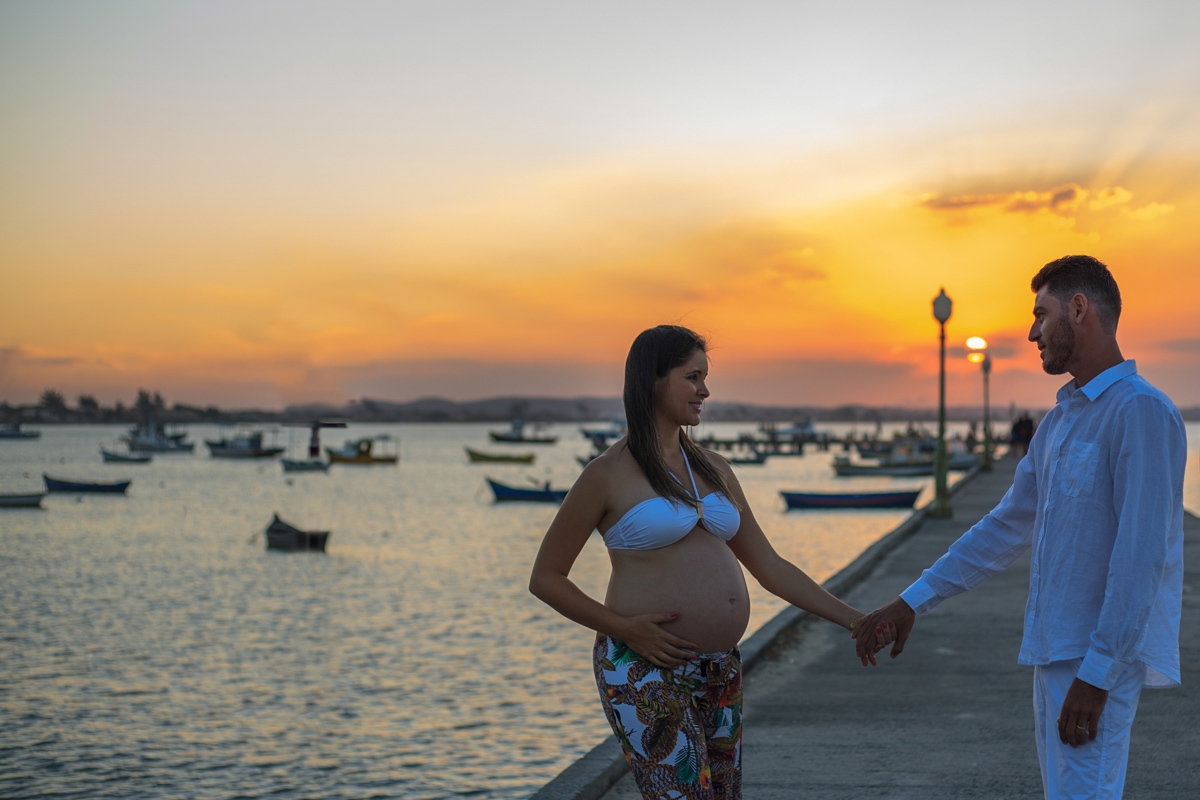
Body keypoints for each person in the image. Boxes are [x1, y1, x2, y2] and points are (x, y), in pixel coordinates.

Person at [853, 255, 1186, 799]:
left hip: (1094, 659)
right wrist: (912, 600)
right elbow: (1004, 526)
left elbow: (1140, 559)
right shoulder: (1058, 423)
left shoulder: (1141, 413)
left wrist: (1099, 675)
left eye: (1041, 314)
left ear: (1079, 309)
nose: (1032, 332)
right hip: (1056, 651)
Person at [530, 325, 893, 800]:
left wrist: (856, 620)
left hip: (720, 667)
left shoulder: (715, 467)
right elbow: (546, 577)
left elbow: (771, 567)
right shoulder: (607, 474)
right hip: (645, 666)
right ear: (653, 381)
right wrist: (626, 628)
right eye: (692, 376)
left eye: (705, 377)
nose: (705, 390)